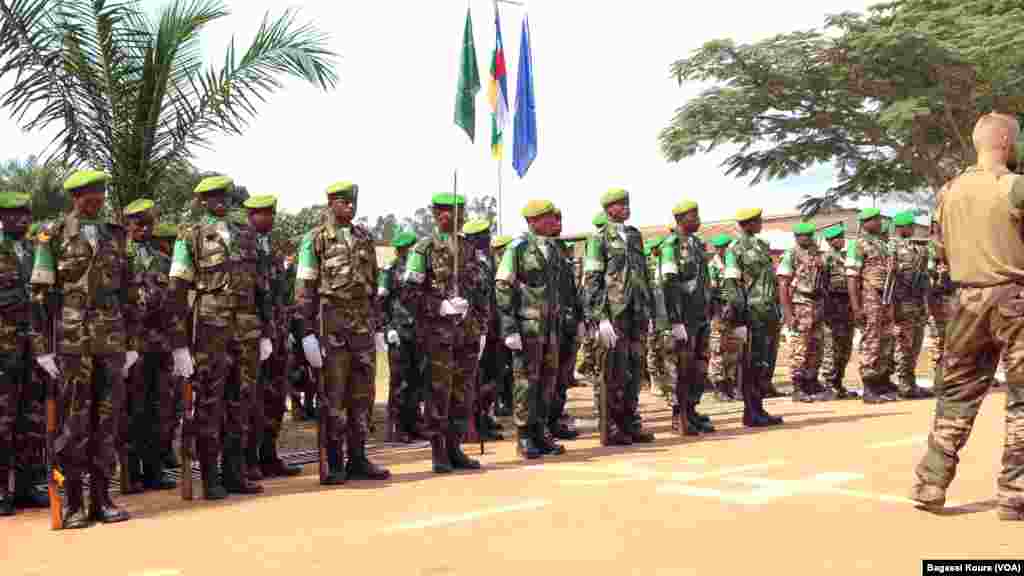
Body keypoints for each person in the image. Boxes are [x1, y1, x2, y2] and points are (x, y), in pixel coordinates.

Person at [910, 112, 1024, 521]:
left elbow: (939, 251)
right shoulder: (1015, 186)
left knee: (956, 394)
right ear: (1006, 142)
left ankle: (931, 482)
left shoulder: (948, 191)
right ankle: (1015, 493)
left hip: (965, 303)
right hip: (1015, 301)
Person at [31, 170, 133, 528]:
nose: (96, 199)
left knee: (108, 420)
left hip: (111, 339)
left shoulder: (116, 234)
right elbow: (40, 297)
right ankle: (74, 503)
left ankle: (102, 499)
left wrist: (132, 343)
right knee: (74, 424)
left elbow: (129, 292)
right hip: (72, 341)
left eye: (101, 192)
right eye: (89, 193)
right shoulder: (53, 235)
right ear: (75, 196)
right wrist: (43, 349)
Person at [168, 175, 268, 498]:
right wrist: (179, 344)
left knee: (242, 401)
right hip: (211, 330)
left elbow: (261, 286)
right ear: (202, 201)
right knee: (210, 402)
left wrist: (266, 331)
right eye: (213, 196)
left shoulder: (246, 234)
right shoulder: (190, 236)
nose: (220, 201)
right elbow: (177, 290)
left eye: (223, 194)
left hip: (246, 329)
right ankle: (211, 477)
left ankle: (235, 473)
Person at [295, 182, 390, 484]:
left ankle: (358, 458)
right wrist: (306, 333)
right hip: (332, 328)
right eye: (344, 202)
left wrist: (378, 327)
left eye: (353, 202)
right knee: (333, 397)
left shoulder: (364, 237)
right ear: (331, 204)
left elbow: (373, 286)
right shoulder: (315, 239)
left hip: (362, 327)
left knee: (363, 395)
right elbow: (304, 289)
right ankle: (335, 462)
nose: (350, 207)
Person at [399, 193, 487, 473]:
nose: (456, 215)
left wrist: (481, 328)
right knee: (439, 393)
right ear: (437, 214)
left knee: (463, 393)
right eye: (449, 211)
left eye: (460, 210)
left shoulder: (469, 248)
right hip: (438, 336)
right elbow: (408, 294)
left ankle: (455, 447)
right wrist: (440, 306)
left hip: (467, 334)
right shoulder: (423, 249)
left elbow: (480, 292)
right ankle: (439, 451)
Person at [496, 200, 571, 459]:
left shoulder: (554, 249)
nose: (552, 222)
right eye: (546, 218)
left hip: (550, 327)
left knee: (548, 380)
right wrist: (509, 327)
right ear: (532, 221)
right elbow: (503, 286)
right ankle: (524, 435)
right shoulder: (517, 248)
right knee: (526, 382)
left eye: (552, 217)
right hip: (528, 327)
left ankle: (541, 431)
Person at [582, 188, 656, 445]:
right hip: (614, 313)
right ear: (608, 209)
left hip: (636, 312)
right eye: (620, 204)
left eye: (627, 203)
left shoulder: (634, 235)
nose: (626, 207)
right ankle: (611, 426)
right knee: (613, 371)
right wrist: (600, 317)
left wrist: (649, 310)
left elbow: (643, 274)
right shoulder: (598, 239)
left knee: (635, 368)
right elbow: (592, 280)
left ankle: (630, 422)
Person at [121, 198, 177, 493]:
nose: (143, 229)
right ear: (127, 224)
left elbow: (173, 304)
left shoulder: (162, 260)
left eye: (148, 224)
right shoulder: (118, 257)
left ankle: (154, 469)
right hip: (131, 345)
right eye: (138, 223)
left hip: (160, 345)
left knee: (160, 408)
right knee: (131, 409)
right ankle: (130, 473)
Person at [245, 196, 302, 478]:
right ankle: (248, 460)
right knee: (252, 399)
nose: (270, 218)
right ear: (250, 215)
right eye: (264, 213)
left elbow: (283, 294)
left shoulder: (274, 248)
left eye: (272, 213)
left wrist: (286, 330)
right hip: (253, 334)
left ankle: (269, 455)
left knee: (276, 396)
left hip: (278, 333)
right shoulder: (243, 247)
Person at [0, 192, 49, 515]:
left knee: (32, 418)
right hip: (3, 348)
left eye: (25, 214)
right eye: (13, 214)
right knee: (2, 420)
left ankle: (27, 486)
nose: (21, 219)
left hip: (34, 349)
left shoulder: (37, 251)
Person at [721, 208, 784, 427]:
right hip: (751, 313)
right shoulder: (734, 249)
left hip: (768, 311)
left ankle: (759, 407)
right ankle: (750, 411)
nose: (760, 223)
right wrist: (738, 320)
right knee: (751, 363)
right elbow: (731, 284)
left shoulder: (762, 245)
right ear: (747, 224)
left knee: (765, 362)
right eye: (757, 220)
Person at [660, 200, 714, 434]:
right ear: (680, 219)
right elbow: (668, 283)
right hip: (683, 318)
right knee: (680, 368)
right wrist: (675, 320)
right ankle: (678, 415)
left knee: (698, 367)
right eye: (694, 216)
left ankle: (691, 410)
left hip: (700, 315)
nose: (698, 220)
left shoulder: (696, 244)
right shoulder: (670, 245)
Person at [845, 208, 899, 403]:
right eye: (875, 220)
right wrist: (856, 307)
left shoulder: (882, 244)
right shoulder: (858, 244)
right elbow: (852, 277)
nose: (879, 223)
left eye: (879, 219)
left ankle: (880, 382)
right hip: (870, 298)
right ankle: (869, 387)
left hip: (886, 297)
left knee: (886, 339)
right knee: (871, 340)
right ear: (865, 222)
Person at [380, 228, 424, 443]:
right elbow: (381, 303)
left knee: (416, 379)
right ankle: (397, 427)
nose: (410, 252)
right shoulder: (389, 271)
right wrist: (387, 329)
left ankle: (413, 423)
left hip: (418, 331)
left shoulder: (419, 269)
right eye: (407, 249)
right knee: (400, 381)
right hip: (398, 332)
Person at [777, 222, 828, 402]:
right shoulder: (790, 254)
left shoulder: (817, 254)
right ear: (796, 237)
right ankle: (798, 386)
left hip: (817, 304)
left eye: (809, 235)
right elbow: (783, 284)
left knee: (816, 345)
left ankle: (811, 380)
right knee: (799, 347)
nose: (807, 238)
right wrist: (788, 313)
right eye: (803, 236)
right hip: (800, 305)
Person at [890, 211, 934, 399]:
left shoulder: (918, 249)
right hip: (902, 304)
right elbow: (889, 281)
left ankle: (910, 382)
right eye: (910, 226)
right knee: (904, 345)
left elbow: (924, 277)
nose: (913, 228)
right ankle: (903, 384)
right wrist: (892, 311)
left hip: (918, 304)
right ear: (901, 227)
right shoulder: (891, 249)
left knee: (915, 345)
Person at [549, 208, 581, 440]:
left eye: (560, 220)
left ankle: (555, 419)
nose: (558, 224)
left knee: (561, 377)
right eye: (554, 220)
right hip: (545, 323)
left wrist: (579, 318)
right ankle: (541, 425)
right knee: (545, 378)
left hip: (566, 323)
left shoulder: (560, 249)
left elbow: (571, 289)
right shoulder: (528, 249)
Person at [818, 224, 858, 399]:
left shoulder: (844, 258)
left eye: (842, 237)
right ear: (829, 241)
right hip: (832, 306)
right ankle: (828, 383)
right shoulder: (825, 259)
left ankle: (838, 382)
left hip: (846, 306)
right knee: (832, 347)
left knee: (845, 347)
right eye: (837, 238)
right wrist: (826, 308)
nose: (841, 240)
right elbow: (821, 285)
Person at [707, 233, 739, 402]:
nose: (724, 250)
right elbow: (711, 292)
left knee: (732, 350)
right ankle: (718, 386)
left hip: (734, 311)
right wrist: (718, 312)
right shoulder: (713, 266)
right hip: (719, 311)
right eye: (721, 248)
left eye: (726, 247)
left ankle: (729, 384)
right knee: (718, 349)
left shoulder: (734, 263)